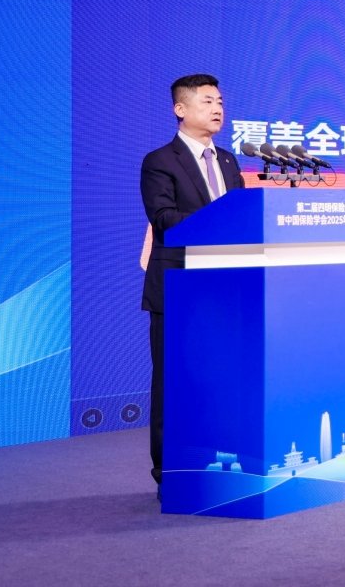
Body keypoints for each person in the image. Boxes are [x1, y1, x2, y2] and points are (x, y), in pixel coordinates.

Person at [139, 73, 244, 489]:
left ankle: (218, 462)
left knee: (222, 382)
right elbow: (164, 219)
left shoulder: (229, 161)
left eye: (220, 101)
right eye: (207, 102)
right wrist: (221, 220)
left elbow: (243, 219)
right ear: (180, 109)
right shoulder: (160, 161)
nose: (217, 109)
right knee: (174, 383)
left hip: (226, 292)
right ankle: (170, 475)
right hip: (179, 291)